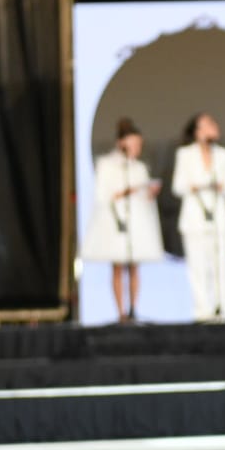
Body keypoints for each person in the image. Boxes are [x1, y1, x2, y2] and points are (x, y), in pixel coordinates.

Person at [82, 118, 165, 323]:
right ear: (122, 143)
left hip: (136, 220)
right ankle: (120, 312)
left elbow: (144, 197)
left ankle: (133, 308)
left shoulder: (139, 168)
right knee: (118, 266)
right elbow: (103, 195)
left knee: (134, 266)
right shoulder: (106, 165)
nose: (137, 148)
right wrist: (131, 189)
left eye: (139, 145)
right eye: (133, 144)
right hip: (115, 220)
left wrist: (150, 193)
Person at [172, 112, 225, 322]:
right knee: (198, 266)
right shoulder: (185, 154)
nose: (213, 127)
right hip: (194, 217)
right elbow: (178, 187)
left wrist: (220, 186)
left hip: (218, 215)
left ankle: (223, 308)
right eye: (207, 124)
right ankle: (202, 310)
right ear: (197, 131)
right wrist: (196, 186)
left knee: (220, 265)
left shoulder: (223, 155)